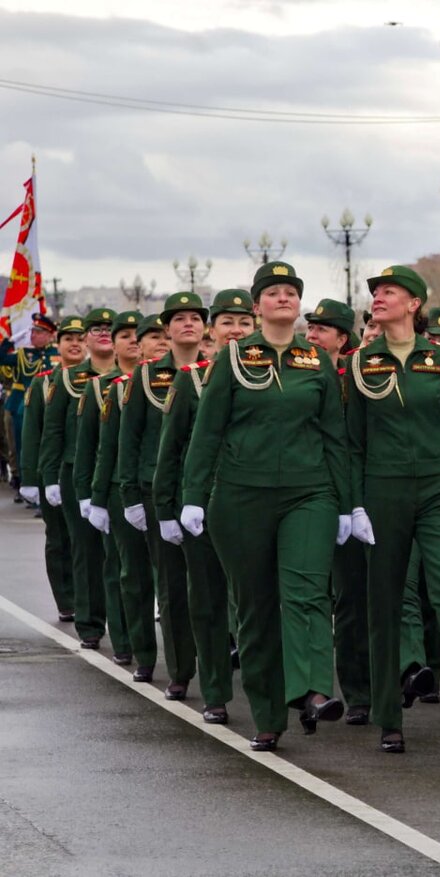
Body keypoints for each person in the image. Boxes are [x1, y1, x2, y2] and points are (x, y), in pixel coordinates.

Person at [182, 261, 349, 750]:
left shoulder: (316, 361)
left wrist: (347, 505)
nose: (283, 298)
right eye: (273, 292)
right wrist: (193, 497)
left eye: (291, 292)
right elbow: (206, 433)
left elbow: (334, 437)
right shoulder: (232, 361)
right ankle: (268, 714)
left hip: (308, 493)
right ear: (256, 307)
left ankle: (314, 691)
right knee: (256, 610)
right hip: (240, 498)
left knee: (306, 593)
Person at [346, 265, 440, 754]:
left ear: (414, 303)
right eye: (376, 293)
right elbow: (353, 442)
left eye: (389, 292)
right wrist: (355, 504)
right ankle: (391, 712)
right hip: (383, 491)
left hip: (436, 487)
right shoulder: (360, 361)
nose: (378, 298)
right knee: (389, 598)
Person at [154, 290, 257, 722]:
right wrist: (166, 508)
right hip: (204, 506)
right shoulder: (191, 379)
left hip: (256, 504)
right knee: (209, 602)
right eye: (227, 323)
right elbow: (171, 451)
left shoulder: (272, 375)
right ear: (213, 332)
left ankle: (268, 691)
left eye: (244, 323)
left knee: (258, 603)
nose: (237, 331)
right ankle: (215, 691)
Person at [119, 293, 206, 701]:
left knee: (213, 584)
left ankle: (217, 661)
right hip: (161, 492)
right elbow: (130, 437)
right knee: (171, 587)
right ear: (167, 329)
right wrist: (130, 493)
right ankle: (181, 669)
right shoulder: (146, 375)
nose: (188, 324)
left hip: (211, 490)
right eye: (179, 319)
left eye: (195, 318)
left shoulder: (220, 370)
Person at [303, 297, 374, 725]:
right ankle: (325, 692)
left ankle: (363, 692)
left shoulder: (356, 377)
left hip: (357, 499)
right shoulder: (296, 372)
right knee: (316, 598)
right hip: (310, 496)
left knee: (354, 600)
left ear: (341, 338)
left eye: (321, 330)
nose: (311, 336)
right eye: (309, 328)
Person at [88, 315, 166, 683]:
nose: (143, 343)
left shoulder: (193, 379)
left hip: (171, 492)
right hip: (128, 491)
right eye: (137, 337)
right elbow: (108, 448)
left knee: (171, 579)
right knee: (132, 576)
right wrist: (99, 497)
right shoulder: (117, 388)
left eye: (153, 336)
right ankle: (140, 650)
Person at [39, 307, 119, 648]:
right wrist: (47, 476)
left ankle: (124, 627)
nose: (102, 333)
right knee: (86, 553)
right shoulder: (68, 380)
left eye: (109, 328)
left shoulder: (132, 377)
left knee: (120, 557)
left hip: (118, 474)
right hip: (78, 473)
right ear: (86, 338)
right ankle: (89, 624)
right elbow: (53, 430)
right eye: (95, 329)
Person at [74, 310, 144, 668]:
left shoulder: (159, 380)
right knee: (120, 567)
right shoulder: (102, 387)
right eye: (124, 335)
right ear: (113, 344)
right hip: (116, 487)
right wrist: (90, 495)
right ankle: (124, 638)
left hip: (153, 487)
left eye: (138, 334)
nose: (133, 340)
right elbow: (90, 446)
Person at [19, 315, 83, 622]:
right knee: (60, 539)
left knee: (89, 543)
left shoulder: (100, 380)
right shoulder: (44, 382)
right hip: (54, 472)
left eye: (80, 339)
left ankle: (89, 598)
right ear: (59, 344)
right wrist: (31, 478)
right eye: (69, 339)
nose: (75, 344)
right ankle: (66, 598)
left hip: (86, 473)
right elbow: (32, 434)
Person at [0, 312, 58, 490]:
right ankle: (27, 483)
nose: (32, 335)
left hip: (51, 408)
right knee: (23, 446)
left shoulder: (57, 353)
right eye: (32, 332)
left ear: (49, 335)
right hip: (25, 408)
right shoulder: (24, 354)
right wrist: (10, 341)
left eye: (38, 332)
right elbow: (2, 358)